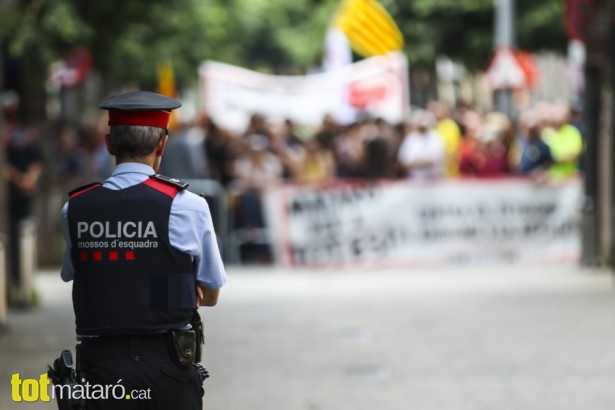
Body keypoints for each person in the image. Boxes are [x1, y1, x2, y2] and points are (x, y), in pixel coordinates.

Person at [59, 90, 227, 409]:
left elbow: (79, 275)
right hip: (169, 370)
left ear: (109, 144)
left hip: (100, 373)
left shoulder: (75, 208)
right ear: (162, 144)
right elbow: (211, 293)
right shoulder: (188, 206)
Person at [2, 90, 43, 298]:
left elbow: (37, 160)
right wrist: (25, 179)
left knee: (23, 237)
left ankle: (22, 285)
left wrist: (25, 180)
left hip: (20, 193)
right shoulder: (24, 132)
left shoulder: (23, 133)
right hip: (14, 193)